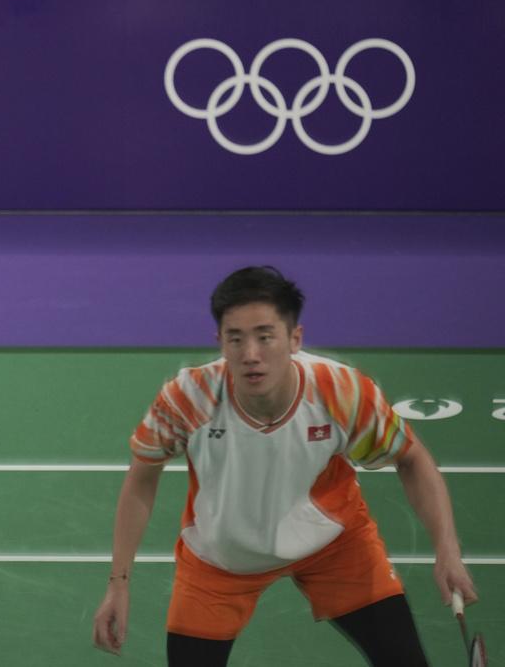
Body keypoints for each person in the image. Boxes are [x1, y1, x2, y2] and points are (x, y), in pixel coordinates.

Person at [92, 266, 477, 666]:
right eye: (235, 338)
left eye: (265, 336)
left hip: (333, 546)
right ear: (219, 342)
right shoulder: (189, 399)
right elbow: (142, 478)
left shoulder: (341, 393)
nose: (250, 354)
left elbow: (411, 458)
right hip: (220, 558)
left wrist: (447, 551)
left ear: (295, 338)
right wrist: (119, 583)